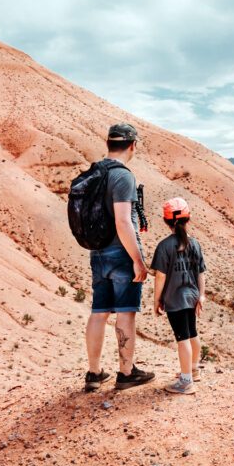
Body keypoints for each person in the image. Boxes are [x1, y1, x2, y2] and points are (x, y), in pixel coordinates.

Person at [83, 123, 155, 392]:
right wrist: (138, 259)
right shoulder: (122, 176)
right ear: (133, 145)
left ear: (108, 144)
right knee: (126, 313)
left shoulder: (96, 172)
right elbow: (124, 222)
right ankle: (126, 372)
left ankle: (94, 373)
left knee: (99, 312)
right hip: (121, 252)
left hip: (97, 252)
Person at [150, 197, 207, 395]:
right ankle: (193, 370)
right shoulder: (195, 244)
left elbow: (160, 277)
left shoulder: (164, 246)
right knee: (192, 333)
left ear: (167, 222)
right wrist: (201, 295)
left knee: (182, 338)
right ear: (188, 219)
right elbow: (201, 272)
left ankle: (185, 381)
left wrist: (157, 300)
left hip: (175, 299)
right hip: (192, 296)